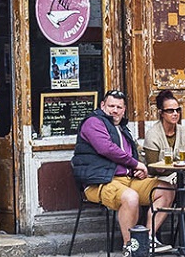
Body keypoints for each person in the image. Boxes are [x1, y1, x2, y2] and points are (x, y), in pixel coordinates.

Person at [72, 90, 171, 242]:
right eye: (111, 106)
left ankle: (148, 240)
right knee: (130, 197)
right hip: (100, 182)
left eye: (119, 107)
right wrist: (136, 164)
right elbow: (106, 148)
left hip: (127, 180)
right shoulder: (93, 122)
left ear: (124, 110)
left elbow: (127, 156)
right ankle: (130, 246)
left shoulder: (122, 128)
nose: (115, 110)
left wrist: (135, 170)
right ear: (102, 105)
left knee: (166, 190)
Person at [141, 88, 185, 178]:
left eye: (177, 110)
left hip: (181, 178)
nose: (175, 113)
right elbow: (151, 167)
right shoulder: (153, 135)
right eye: (170, 111)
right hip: (159, 179)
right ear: (161, 113)